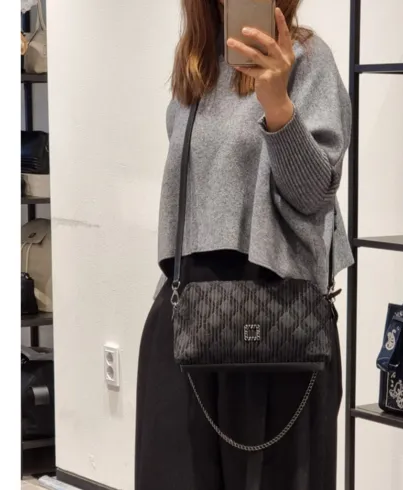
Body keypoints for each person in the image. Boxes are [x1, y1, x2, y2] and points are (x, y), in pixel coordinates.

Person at [135, 0, 353, 489]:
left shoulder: (307, 59)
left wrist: (278, 106)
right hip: (188, 318)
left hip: (278, 323)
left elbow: (314, 195)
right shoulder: (196, 64)